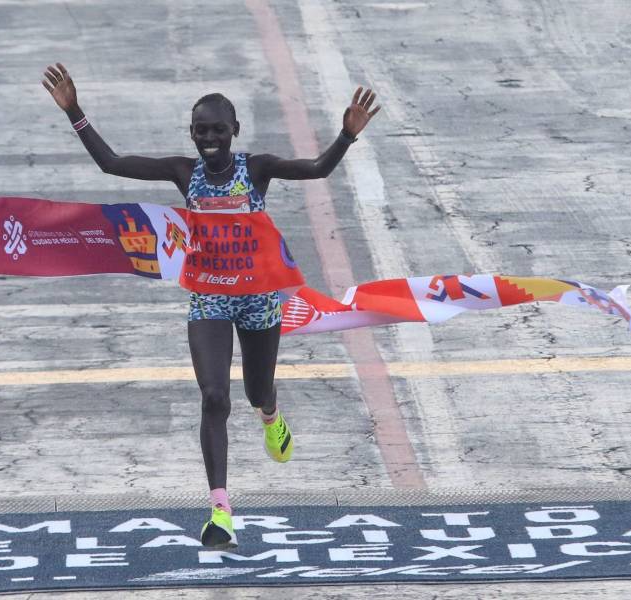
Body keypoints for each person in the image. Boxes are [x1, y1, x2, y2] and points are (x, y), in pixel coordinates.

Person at [42, 63, 379, 548]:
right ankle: (220, 510)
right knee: (214, 397)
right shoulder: (185, 172)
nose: (209, 137)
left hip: (260, 301)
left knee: (255, 390)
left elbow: (316, 169)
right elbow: (112, 163)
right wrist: (74, 110)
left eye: (218, 129)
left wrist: (346, 137)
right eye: (201, 130)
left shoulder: (257, 168)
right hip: (210, 301)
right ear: (192, 134)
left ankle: (270, 413)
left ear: (235, 131)